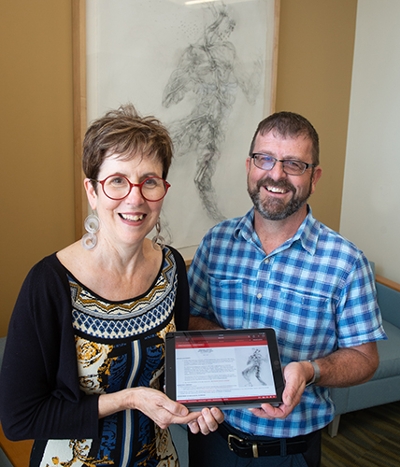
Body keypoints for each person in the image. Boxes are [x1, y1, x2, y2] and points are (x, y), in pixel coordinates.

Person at [0, 104, 223, 467]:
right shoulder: (49, 283)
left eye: (149, 181)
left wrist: (197, 404)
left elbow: (176, 378)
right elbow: (19, 418)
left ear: (163, 189)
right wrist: (129, 399)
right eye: (117, 180)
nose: (134, 198)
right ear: (92, 190)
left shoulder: (172, 270)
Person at [187, 111, 386, 467]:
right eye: (265, 159)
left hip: (289, 454)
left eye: (294, 164)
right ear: (249, 166)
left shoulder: (345, 262)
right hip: (211, 440)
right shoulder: (216, 243)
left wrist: (310, 371)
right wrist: (233, 347)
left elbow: (365, 358)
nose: (276, 174)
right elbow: (190, 318)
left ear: (315, 176)